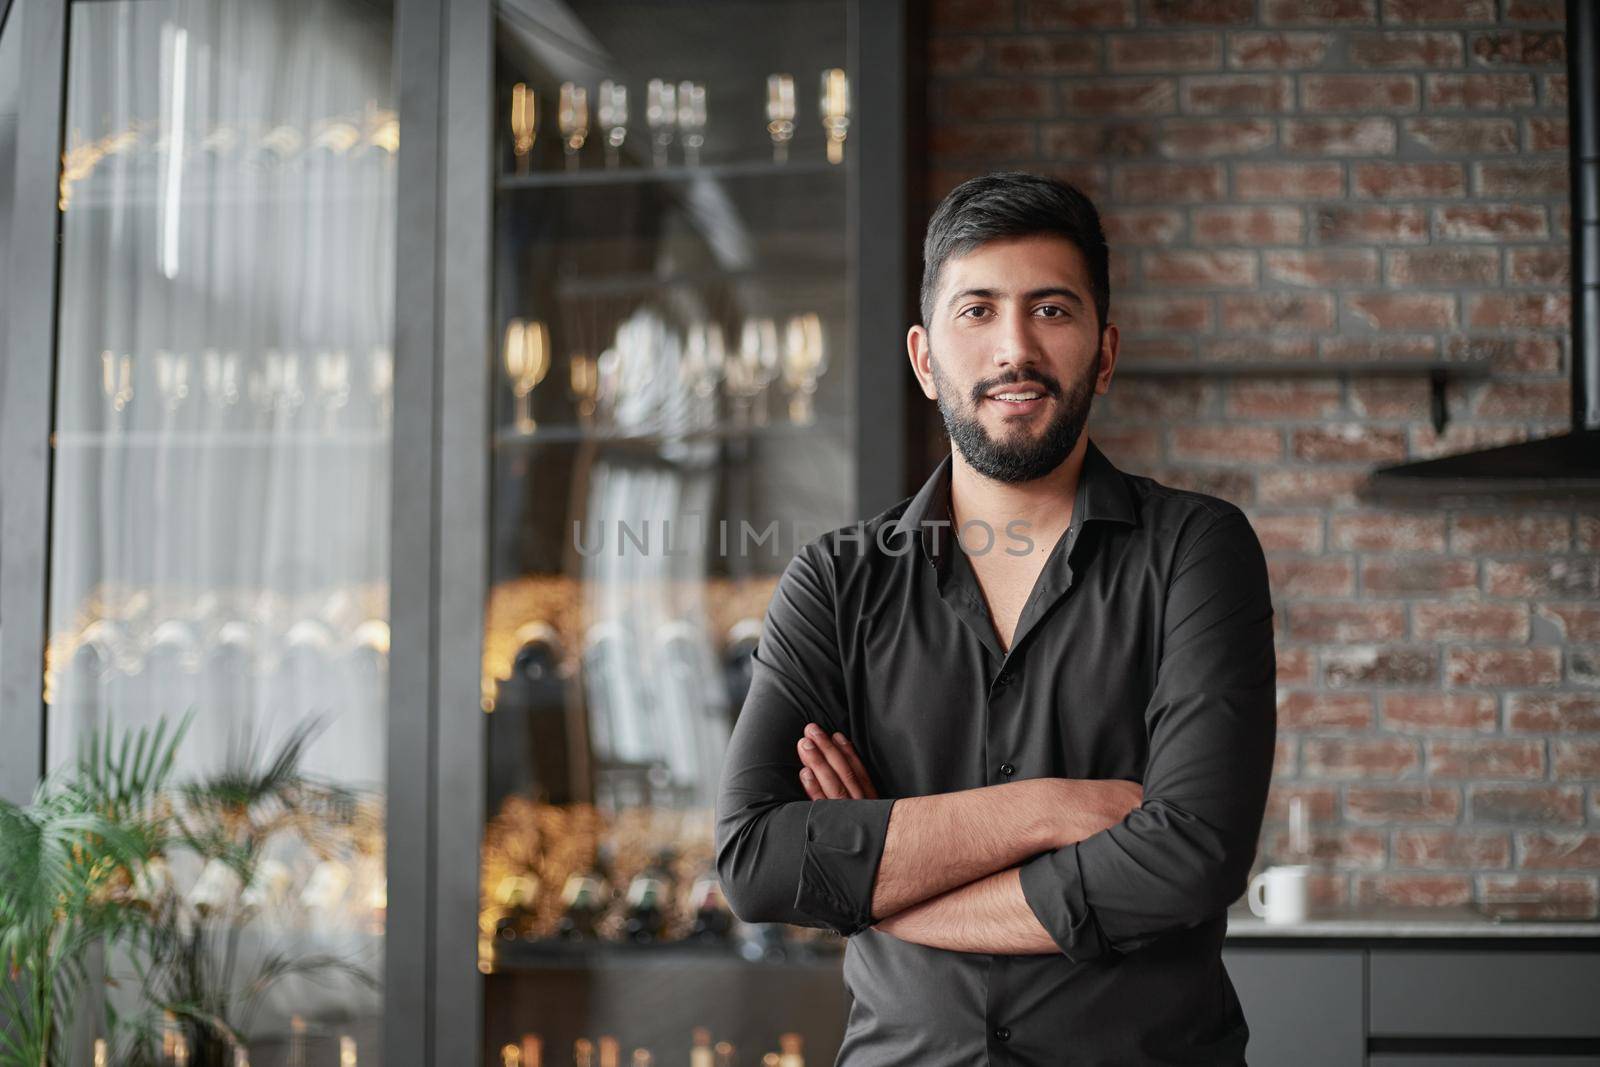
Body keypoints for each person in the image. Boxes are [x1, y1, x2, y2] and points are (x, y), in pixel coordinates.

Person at [714, 171, 1277, 1066]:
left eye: (1051, 310)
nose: (1015, 347)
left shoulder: (1197, 552)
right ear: (925, 356)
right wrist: (1051, 808)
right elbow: (756, 860)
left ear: (1105, 349)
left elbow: (1190, 858)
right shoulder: (837, 579)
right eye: (976, 311)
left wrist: (881, 878)